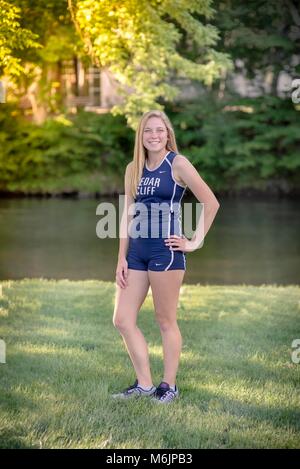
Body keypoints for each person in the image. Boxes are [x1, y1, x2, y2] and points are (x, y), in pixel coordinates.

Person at [112, 110, 220, 403]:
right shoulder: (133, 168)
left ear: (167, 134)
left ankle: (168, 385)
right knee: (122, 319)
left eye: (160, 130)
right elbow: (127, 215)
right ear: (141, 136)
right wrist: (121, 257)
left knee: (165, 321)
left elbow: (211, 202)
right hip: (136, 253)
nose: (154, 135)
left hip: (166, 252)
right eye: (148, 131)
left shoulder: (178, 164)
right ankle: (144, 384)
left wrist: (194, 242)